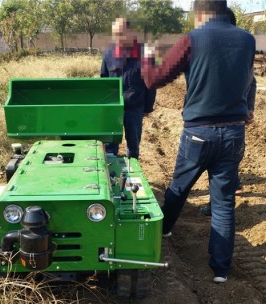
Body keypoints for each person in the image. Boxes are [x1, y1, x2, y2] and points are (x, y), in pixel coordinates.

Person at [142, 0, 256, 283]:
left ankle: (164, 230)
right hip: (233, 132)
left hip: (198, 132)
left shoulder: (191, 39)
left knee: (180, 187)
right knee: (223, 202)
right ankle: (221, 271)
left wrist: (147, 57)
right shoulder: (247, 40)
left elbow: (155, 80)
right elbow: (249, 80)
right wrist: (248, 107)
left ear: (200, 13)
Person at [199, 6, 257, 218]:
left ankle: (219, 203)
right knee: (224, 166)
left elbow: (253, 81)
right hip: (231, 124)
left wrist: (249, 108)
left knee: (218, 167)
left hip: (216, 124)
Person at [101, 17, 156, 159]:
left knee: (133, 145)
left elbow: (151, 84)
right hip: (114, 109)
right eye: (115, 34)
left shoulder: (145, 53)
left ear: (131, 32)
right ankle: (111, 174)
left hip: (135, 108)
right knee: (110, 146)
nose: (117, 38)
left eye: (120, 34)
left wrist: (147, 108)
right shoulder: (109, 54)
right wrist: (105, 107)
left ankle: (131, 172)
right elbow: (104, 81)